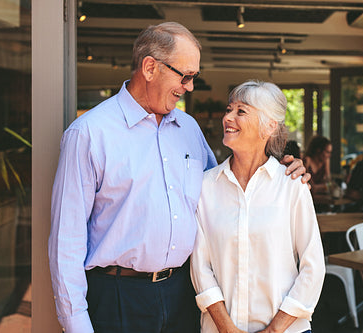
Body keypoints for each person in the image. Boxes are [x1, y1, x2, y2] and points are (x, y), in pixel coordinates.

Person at [48, 22, 310, 333]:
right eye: (185, 76)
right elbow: (66, 242)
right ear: (149, 67)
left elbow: (227, 188)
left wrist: (283, 171)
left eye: (193, 78)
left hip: (184, 297)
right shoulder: (90, 133)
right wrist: (76, 325)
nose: (189, 87)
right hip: (119, 297)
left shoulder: (188, 129)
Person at [191, 80, 325, 333]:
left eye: (241, 111)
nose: (228, 117)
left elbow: (313, 267)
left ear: (269, 126)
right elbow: (200, 267)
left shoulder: (292, 185)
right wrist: (227, 328)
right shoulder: (205, 186)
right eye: (229, 109)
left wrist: (274, 330)